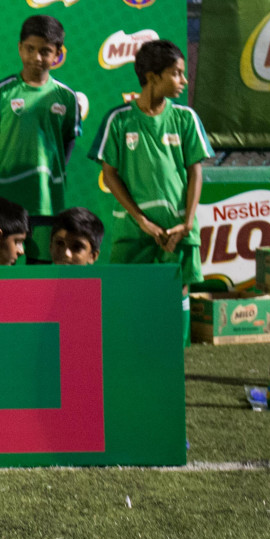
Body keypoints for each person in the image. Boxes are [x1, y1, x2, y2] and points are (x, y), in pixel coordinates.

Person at [89, 39, 211, 342]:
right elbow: (110, 174)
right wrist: (141, 220)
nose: (184, 80)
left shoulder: (185, 118)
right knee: (128, 293)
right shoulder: (118, 120)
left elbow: (196, 172)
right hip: (134, 228)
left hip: (178, 229)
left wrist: (187, 222)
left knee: (177, 290)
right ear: (153, 77)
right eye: (177, 73)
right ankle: (132, 358)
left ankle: (177, 363)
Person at [0, 15, 80, 262]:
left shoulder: (66, 97)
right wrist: (2, 176)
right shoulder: (1, 92)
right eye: (30, 49)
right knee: (4, 274)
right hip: (5, 206)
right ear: (20, 48)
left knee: (40, 272)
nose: (37, 57)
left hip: (47, 202)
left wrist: (51, 175)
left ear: (58, 54)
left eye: (45, 51)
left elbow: (67, 141)